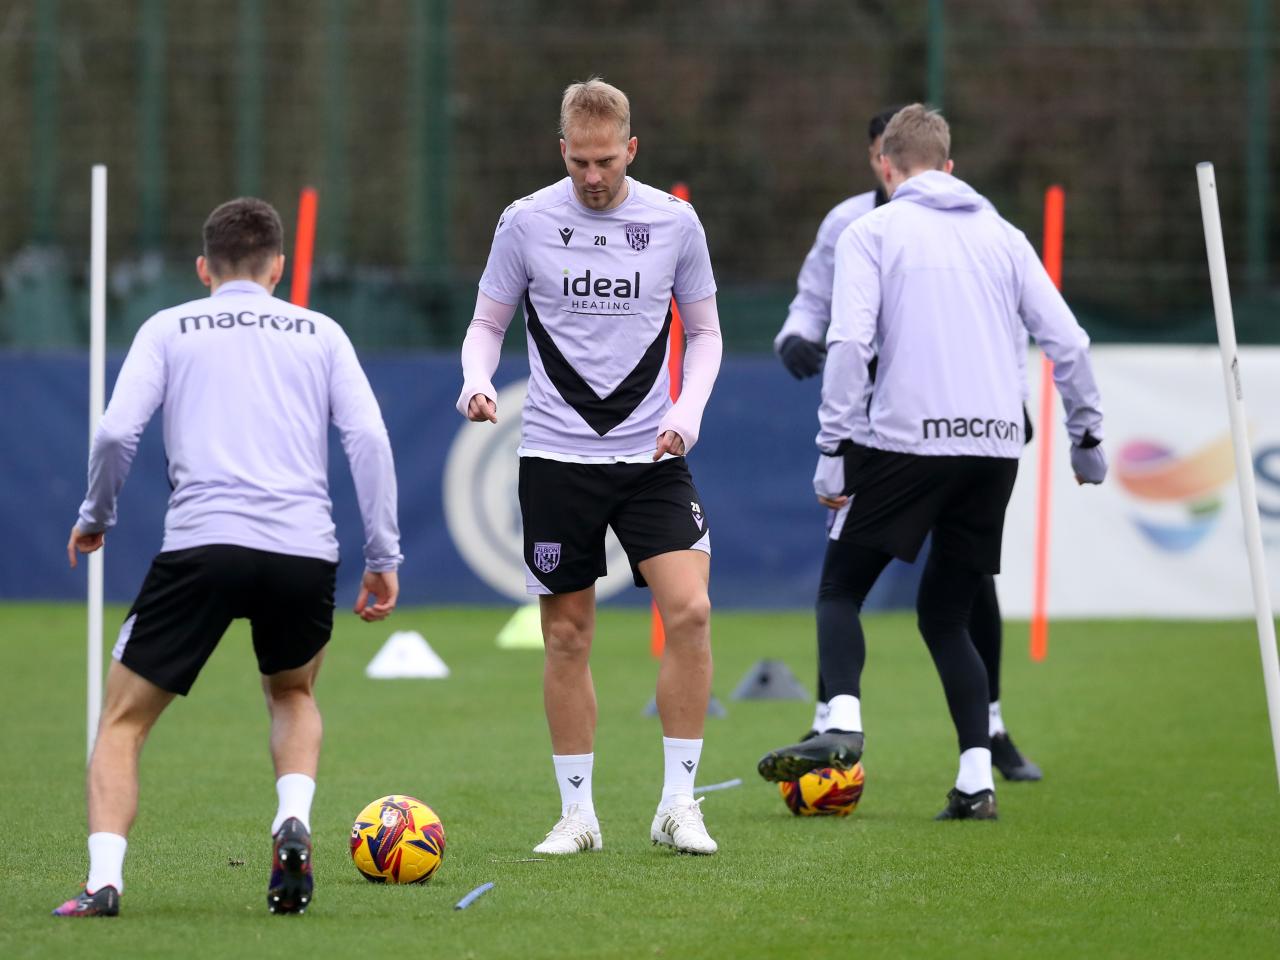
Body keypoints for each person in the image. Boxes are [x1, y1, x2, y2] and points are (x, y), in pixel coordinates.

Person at [756, 105, 1106, 820]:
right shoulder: (1004, 235)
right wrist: (1088, 437)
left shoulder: (872, 230)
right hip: (994, 447)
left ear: (885, 165)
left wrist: (833, 449)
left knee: (840, 589)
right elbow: (1068, 342)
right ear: (949, 165)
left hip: (907, 443)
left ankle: (844, 721)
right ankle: (976, 781)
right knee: (948, 615)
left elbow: (850, 345)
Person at [56, 198, 402, 917]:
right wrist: (382, 554)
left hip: (203, 544)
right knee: (293, 694)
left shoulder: (169, 327)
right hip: (302, 549)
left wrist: (97, 516)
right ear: (278, 266)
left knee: (122, 722)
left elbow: (117, 433)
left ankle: (104, 882)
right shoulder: (321, 332)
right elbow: (368, 439)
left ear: (203, 268)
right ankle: (290, 820)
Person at [457, 77, 723, 855]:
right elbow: (487, 323)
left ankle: (679, 806)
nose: (594, 177)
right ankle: (577, 815)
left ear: (631, 149)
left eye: (606, 161)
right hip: (554, 456)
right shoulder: (525, 222)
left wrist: (687, 412)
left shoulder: (674, 222)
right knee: (567, 637)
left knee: (692, 612)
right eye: (580, 163)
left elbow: (704, 333)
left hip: (653, 456)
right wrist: (476, 381)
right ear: (561, 151)